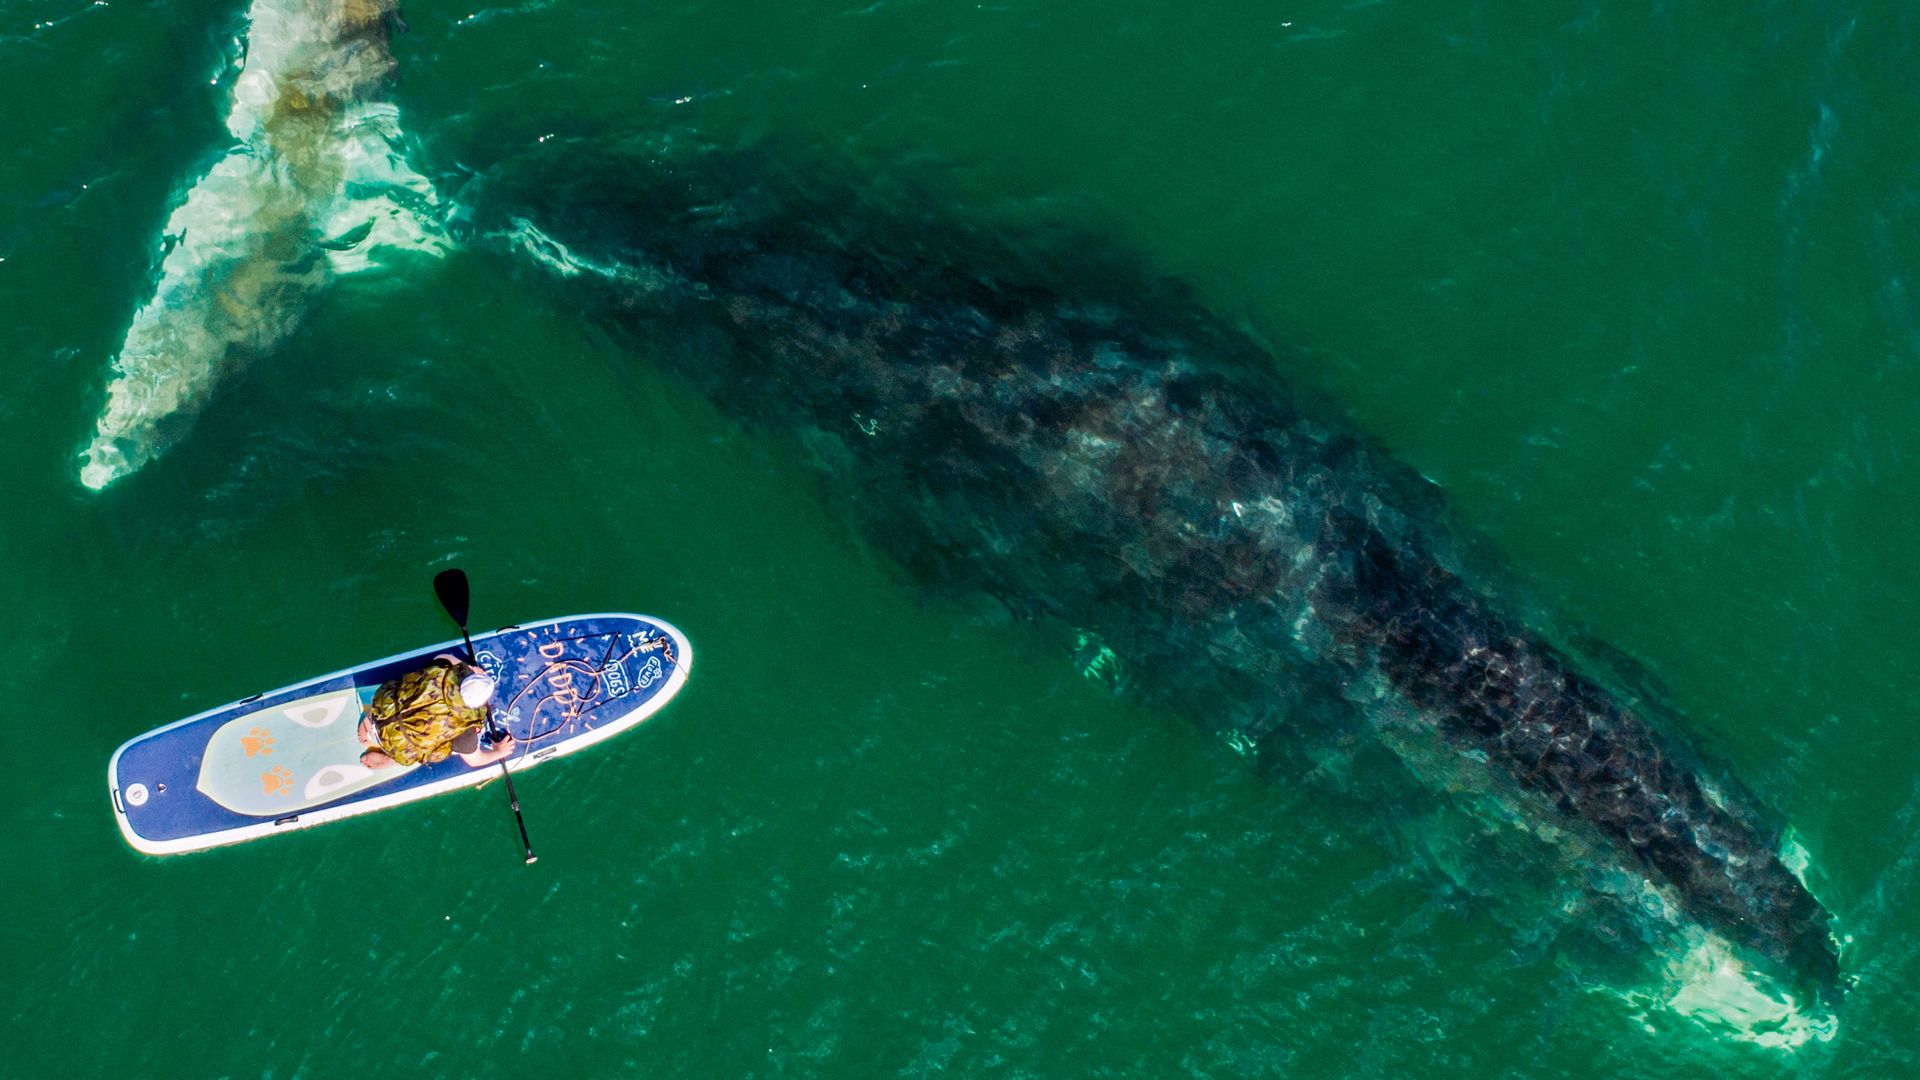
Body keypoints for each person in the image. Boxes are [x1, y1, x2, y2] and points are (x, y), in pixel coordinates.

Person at [356, 654, 516, 770]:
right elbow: (475, 760)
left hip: (384, 710)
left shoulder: (444, 673)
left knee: (401, 696)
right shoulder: (466, 728)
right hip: (401, 746)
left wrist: (469, 669)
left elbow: (443, 656)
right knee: (437, 749)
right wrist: (498, 752)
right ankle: (392, 759)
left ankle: (368, 724)